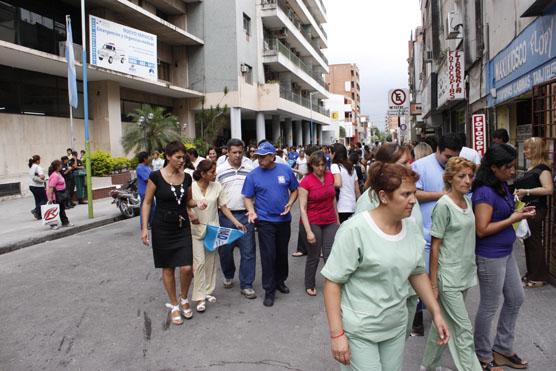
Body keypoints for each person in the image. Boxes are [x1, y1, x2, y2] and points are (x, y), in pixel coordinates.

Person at [322, 161, 449, 370]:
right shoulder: (355, 230)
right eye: (405, 194)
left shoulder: (411, 228)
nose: (413, 201)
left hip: (395, 325)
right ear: (383, 196)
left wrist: (435, 312)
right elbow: (332, 283)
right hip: (360, 329)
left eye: (414, 193)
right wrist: (337, 334)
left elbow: (416, 273)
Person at [472, 144, 535, 370]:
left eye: (513, 166)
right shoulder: (484, 192)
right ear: (494, 168)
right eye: (507, 167)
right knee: (489, 305)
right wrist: (512, 219)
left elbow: (508, 212)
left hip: (505, 252)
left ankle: (502, 348)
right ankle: (482, 355)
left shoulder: (500, 186)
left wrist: (521, 211)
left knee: (516, 298)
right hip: (490, 255)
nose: (512, 171)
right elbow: (482, 229)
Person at [421, 157, 482, 371]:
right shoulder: (443, 205)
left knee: (443, 324)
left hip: (464, 273)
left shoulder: (467, 202)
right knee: (463, 329)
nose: (467, 181)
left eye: (470, 176)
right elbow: (435, 246)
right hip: (448, 278)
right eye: (461, 176)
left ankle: (428, 366)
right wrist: (434, 283)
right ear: (450, 178)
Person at [140, 141, 207, 325]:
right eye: (178, 157)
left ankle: (184, 298)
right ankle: (175, 305)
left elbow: (188, 201)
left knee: (186, 268)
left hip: (182, 226)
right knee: (168, 267)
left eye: (183, 157)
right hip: (162, 227)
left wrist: (198, 204)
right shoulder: (155, 177)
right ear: (168, 157)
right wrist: (144, 228)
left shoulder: (186, 178)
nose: (181, 160)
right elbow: (146, 203)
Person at [411, 133, 462, 335]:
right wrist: (443, 195)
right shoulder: (421, 166)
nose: (451, 161)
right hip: (426, 235)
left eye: (455, 156)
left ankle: (440, 320)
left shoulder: (459, 167)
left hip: (451, 237)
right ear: (438, 150)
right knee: (422, 279)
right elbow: (413, 194)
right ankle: (417, 321)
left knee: (445, 281)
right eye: (447, 156)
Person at [242, 141, 299, 307]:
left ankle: (280, 280)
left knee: (281, 253)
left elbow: (295, 189)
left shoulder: (285, 170)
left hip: (284, 220)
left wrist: (290, 203)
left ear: (272, 157)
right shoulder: (253, 175)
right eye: (258, 156)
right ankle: (269, 289)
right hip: (265, 221)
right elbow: (247, 197)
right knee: (268, 255)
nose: (259, 159)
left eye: (263, 156)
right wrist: (251, 211)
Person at [190, 160, 245, 312]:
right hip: (195, 230)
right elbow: (186, 205)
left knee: (211, 263)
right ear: (202, 174)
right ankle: (199, 297)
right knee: (199, 263)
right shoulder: (191, 186)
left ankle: (207, 291)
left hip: (213, 230)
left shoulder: (217, 186)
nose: (215, 174)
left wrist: (236, 222)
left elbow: (224, 208)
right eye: (212, 172)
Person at [216, 138, 257, 298]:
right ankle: (228, 274)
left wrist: (253, 211)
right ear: (227, 152)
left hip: (246, 215)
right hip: (225, 216)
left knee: (248, 251)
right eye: (234, 152)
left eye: (240, 152)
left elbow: (256, 190)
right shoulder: (219, 170)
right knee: (225, 251)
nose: (238, 155)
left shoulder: (250, 168)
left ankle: (247, 284)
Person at [514, 137, 553, 288]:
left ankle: (538, 277)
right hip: (528, 207)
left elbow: (548, 189)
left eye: (528, 148)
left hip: (536, 208)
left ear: (536, 150)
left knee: (534, 241)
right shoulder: (533, 167)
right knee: (529, 241)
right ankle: (532, 273)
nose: (524, 151)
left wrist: (527, 191)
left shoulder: (543, 169)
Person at [299, 151, 339, 296]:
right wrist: (308, 231)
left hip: (330, 220)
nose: (321, 168)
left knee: (330, 254)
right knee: (314, 255)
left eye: (323, 165)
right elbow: (302, 209)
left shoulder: (329, 176)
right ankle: (309, 283)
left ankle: (332, 283)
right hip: (313, 221)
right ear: (311, 166)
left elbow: (333, 199)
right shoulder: (306, 181)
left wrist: (337, 220)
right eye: (317, 165)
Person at [331, 143, 360, 223]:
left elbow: (338, 183)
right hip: (353, 206)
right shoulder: (351, 167)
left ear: (334, 154)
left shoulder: (335, 166)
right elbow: (357, 190)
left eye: (330, 152)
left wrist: (326, 185)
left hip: (341, 206)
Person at [46, 160, 71, 229]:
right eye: (60, 165)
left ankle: (65, 222)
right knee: (54, 209)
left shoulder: (58, 173)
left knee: (61, 208)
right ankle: (53, 225)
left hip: (60, 194)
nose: (61, 166)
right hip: (55, 195)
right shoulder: (55, 175)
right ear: (57, 166)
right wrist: (50, 198)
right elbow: (51, 187)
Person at [137, 151, 153, 227]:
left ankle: (150, 222)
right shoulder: (140, 168)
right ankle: (144, 224)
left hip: (150, 190)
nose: (150, 159)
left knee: (152, 207)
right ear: (144, 159)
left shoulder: (147, 167)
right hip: (144, 191)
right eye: (148, 157)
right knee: (145, 208)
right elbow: (147, 179)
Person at [28, 155, 47, 220]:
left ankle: (39, 215)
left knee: (38, 200)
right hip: (38, 186)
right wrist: (44, 177)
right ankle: (35, 210)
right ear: (37, 160)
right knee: (44, 200)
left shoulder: (31, 167)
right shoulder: (38, 167)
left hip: (31, 186)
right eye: (39, 160)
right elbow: (41, 176)